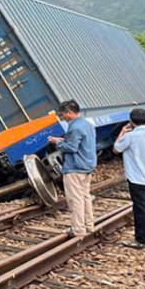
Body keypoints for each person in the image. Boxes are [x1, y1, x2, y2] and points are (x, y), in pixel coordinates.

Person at [113, 108, 145, 248]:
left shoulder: (130, 137)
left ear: (131, 121)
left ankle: (141, 240)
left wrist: (122, 132)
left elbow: (116, 149)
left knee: (140, 209)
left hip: (136, 179)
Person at [48, 100, 97, 237]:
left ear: (69, 112)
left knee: (75, 199)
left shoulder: (74, 127)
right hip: (87, 166)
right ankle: (89, 225)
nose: (63, 117)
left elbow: (71, 148)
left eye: (63, 114)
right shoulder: (87, 124)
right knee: (85, 197)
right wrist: (62, 140)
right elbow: (80, 143)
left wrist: (57, 142)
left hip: (75, 168)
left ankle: (78, 229)